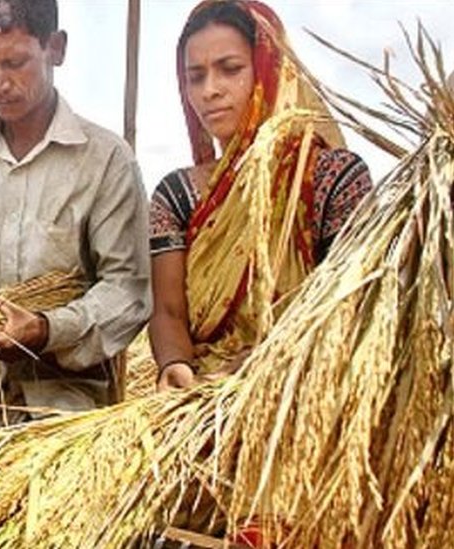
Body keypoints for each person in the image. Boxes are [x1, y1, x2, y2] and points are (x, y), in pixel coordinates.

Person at [0, 0, 151, 462]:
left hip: (66, 415)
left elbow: (127, 291)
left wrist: (47, 328)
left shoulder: (105, 160)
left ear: (55, 49)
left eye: (15, 62)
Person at [149, 0, 373, 392]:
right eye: (195, 76)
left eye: (230, 69)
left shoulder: (330, 177)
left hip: (306, 391)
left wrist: (260, 365)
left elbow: (349, 303)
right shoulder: (177, 195)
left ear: (269, 68)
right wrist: (175, 364)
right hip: (202, 398)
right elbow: (168, 312)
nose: (209, 91)